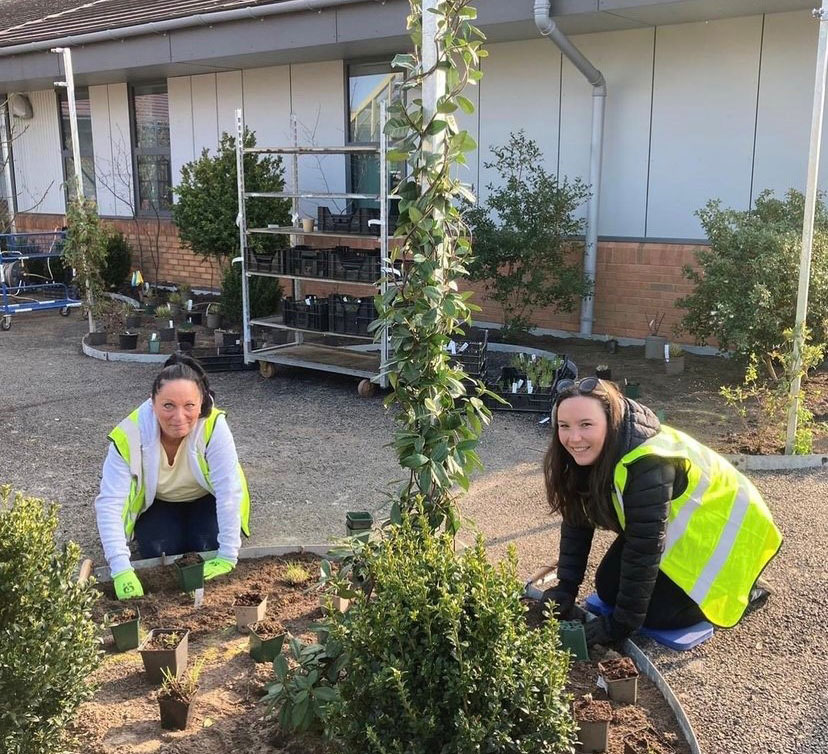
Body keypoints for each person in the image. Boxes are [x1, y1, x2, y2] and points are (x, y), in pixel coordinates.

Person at [541, 376, 782, 646]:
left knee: (658, 616)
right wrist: (566, 587)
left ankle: (747, 587)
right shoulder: (592, 452)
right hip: (679, 529)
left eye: (586, 425)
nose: (574, 438)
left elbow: (643, 549)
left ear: (612, 421)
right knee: (609, 589)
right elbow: (577, 521)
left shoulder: (649, 464)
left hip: (727, 535)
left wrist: (620, 627)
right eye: (564, 426)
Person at [95, 353, 250, 600]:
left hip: (205, 498)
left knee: (207, 546)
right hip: (159, 501)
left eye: (189, 406)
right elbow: (110, 503)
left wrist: (228, 556)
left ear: (201, 403)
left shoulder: (214, 425)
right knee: (159, 551)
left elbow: (228, 490)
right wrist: (120, 569)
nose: (179, 418)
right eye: (168, 406)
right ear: (152, 403)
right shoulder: (129, 434)